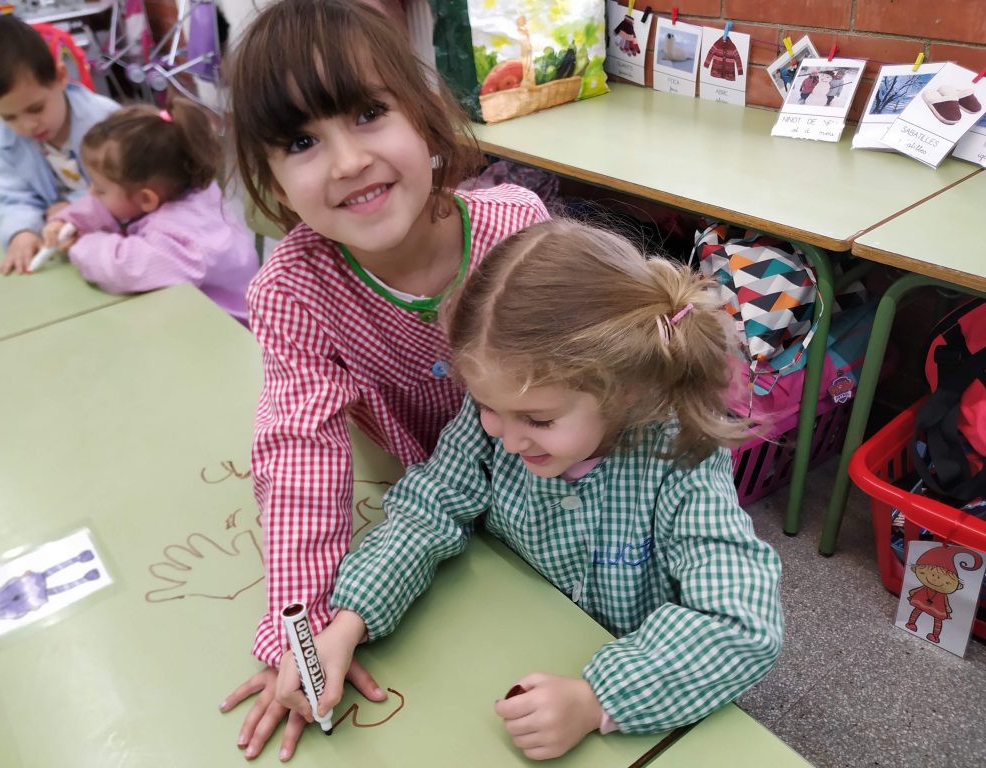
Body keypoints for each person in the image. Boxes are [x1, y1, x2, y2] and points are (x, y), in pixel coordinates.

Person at [301, 219, 784, 759]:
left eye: (539, 420)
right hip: (508, 642)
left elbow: (741, 624)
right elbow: (430, 506)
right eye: (486, 406)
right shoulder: (501, 416)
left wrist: (597, 700)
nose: (506, 439)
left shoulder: (682, 458)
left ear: (627, 392)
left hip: (642, 690)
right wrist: (350, 619)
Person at [218, 0, 549, 759]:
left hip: (551, 504)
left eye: (369, 114)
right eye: (301, 141)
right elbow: (299, 457)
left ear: (426, 117)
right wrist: (300, 635)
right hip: (423, 515)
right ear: (272, 182)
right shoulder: (292, 291)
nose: (346, 162)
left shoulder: (517, 229)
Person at [42, 101, 257, 323]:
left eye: (100, 189)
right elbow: (110, 206)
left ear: (146, 198)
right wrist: (71, 221)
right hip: (191, 317)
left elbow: (124, 268)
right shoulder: (184, 186)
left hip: (229, 328)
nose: (92, 193)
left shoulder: (183, 240)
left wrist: (82, 242)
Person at [0, 15, 119, 275]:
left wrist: (73, 209)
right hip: (66, 250)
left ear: (60, 77)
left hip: (117, 241)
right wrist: (21, 231)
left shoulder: (108, 123)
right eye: (9, 117)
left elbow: (128, 187)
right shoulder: (10, 142)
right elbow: (15, 196)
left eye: (35, 108)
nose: (28, 126)